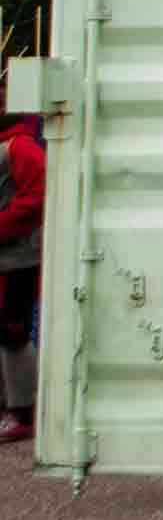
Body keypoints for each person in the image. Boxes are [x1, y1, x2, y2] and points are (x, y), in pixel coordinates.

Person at [0, 112, 43, 444]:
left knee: (12, 331)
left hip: (17, 258)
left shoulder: (20, 147)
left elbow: (36, 196)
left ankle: (22, 413)